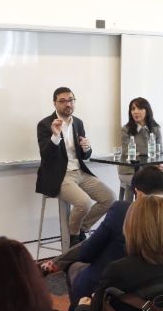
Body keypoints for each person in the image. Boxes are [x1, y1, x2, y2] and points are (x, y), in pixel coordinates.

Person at [64, 165, 163, 308]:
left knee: (75, 268)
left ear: (138, 193)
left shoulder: (121, 213)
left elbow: (87, 254)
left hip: (118, 310)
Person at [36, 86, 114, 246]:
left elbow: (85, 155)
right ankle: (74, 240)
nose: (67, 104)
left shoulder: (78, 123)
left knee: (110, 198)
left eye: (70, 100)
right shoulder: (45, 124)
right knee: (84, 202)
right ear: (55, 104)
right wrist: (55, 136)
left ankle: (79, 230)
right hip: (59, 175)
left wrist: (87, 148)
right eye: (62, 101)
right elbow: (45, 155)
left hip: (80, 172)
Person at [118, 97, 162, 201]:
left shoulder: (155, 128)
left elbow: (160, 151)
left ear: (147, 110)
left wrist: (158, 164)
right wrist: (148, 153)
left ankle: (154, 211)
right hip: (128, 171)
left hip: (148, 170)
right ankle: (135, 213)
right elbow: (126, 151)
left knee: (160, 180)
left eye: (139, 108)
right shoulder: (126, 129)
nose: (135, 112)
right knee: (143, 183)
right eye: (133, 109)